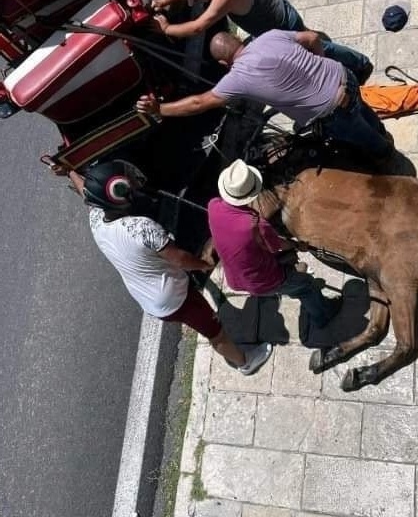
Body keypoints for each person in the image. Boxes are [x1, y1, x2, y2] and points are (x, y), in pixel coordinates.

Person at [62, 160, 272, 375]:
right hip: (174, 298)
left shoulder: (96, 220)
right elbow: (180, 259)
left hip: (147, 297)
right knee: (215, 332)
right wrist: (204, 264)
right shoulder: (142, 228)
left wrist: (70, 171)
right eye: (128, 185)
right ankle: (245, 363)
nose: (133, 185)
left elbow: (86, 192)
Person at [137, 29, 394, 162]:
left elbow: (199, 102)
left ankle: (386, 153)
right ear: (238, 39)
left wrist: (160, 110)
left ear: (225, 64)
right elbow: (313, 37)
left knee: (367, 141)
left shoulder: (237, 78)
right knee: (361, 112)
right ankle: (379, 131)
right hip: (343, 75)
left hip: (333, 109)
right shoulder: (269, 36)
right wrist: (321, 62)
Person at [150, 0, 373, 84]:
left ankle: (361, 65)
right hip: (282, 9)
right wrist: (161, 1)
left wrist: (167, 28)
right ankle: (355, 64)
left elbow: (199, 25)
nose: (200, 0)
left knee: (322, 49)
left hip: (282, 25)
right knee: (317, 45)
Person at [208, 159, 342, 327]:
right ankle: (324, 316)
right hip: (263, 280)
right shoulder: (255, 223)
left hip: (234, 277)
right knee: (306, 285)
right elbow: (277, 245)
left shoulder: (213, 205)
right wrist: (297, 245)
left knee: (295, 274)